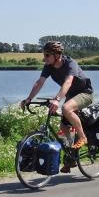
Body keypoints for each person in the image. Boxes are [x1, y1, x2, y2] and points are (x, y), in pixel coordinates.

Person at [21, 41, 93, 173]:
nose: (44, 58)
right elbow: (39, 82)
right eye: (44, 55)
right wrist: (29, 98)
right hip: (71, 96)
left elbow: (68, 82)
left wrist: (57, 99)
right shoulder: (48, 66)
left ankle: (83, 137)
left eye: (47, 55)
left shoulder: (70, 64)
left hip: (84, 94)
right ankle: (71, 155)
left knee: (66, 108)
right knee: (63, 126)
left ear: (57, 55)